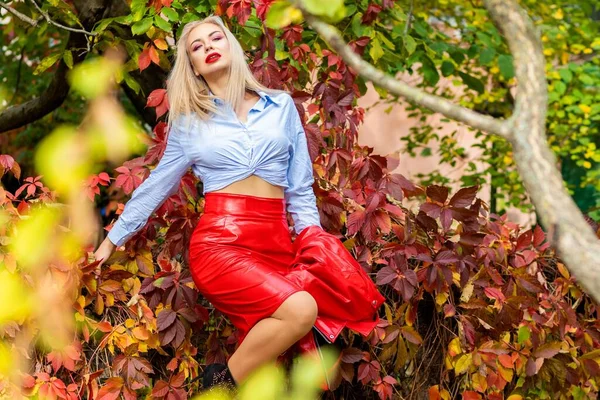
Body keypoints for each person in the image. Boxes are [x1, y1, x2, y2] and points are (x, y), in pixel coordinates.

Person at [93, 15, 384, 393]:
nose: (209, 47)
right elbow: (155, 187)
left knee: (280, 347)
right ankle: (216, 387)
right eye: (197, 47)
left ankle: (221, 387)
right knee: (302, 309)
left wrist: (314, 242)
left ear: (232, 46)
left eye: (216, 38)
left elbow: (299, 189)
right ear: (193, 67)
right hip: (220, 244)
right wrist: (108, 243)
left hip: (277, 243)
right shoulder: (189, 120)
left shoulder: (280, 106)